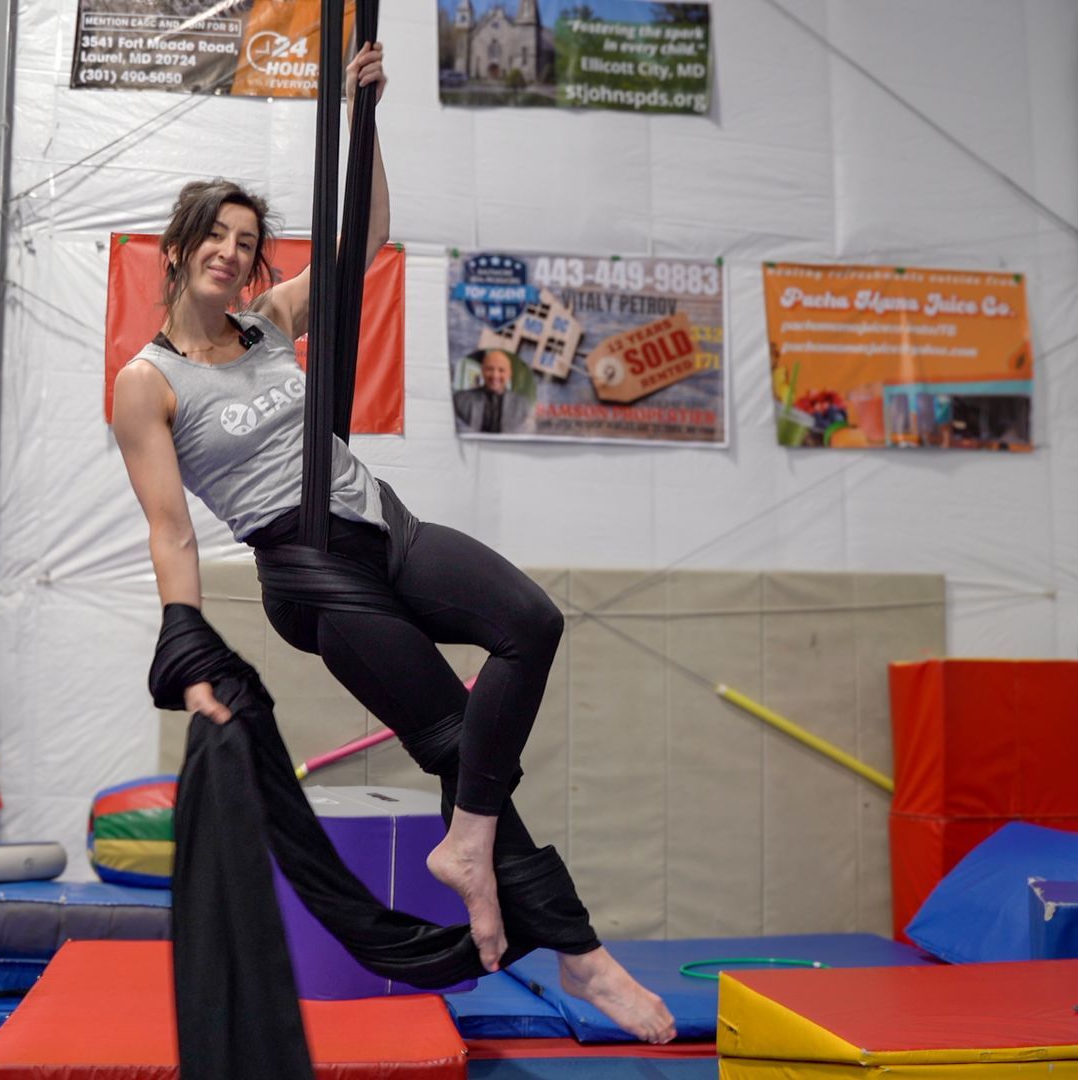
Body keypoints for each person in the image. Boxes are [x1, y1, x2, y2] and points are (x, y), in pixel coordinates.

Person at [111, 40, 675, 1044]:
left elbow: (364, 239)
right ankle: (584, 955)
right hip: (307, 567)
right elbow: (171, 533)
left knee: (530, 624)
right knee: (456, 741)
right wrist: (189, 651)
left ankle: (469, 843)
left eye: (247, 242)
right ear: (177, 247)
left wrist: (364, 118)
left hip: (383, 522)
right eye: (217, 237)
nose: (234, 254)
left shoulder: (271, 328)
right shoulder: (146, 384)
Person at [453, 349, 535, 435]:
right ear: (482, 371)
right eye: (489, 369)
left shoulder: (523, 405)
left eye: (501, 370)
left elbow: (524, 433)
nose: (495, 375)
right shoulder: (459, 400)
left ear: (509, 374)